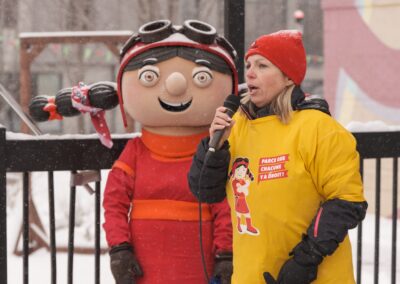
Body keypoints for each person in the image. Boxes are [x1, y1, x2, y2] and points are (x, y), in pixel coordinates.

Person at [188, 30, 368, 284]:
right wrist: (215, 145)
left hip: (310, 275)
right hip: (251, 275)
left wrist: (305, 261)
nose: (250, 73)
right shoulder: (237, 124)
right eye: (249, 65)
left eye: (262, 66)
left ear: (287, 77)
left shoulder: (319, 128)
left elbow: (347, 202)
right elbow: (204, 190)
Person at [102, 20, 238, 284]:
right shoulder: (136, 152)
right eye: (149, 77)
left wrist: (225, 253)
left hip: (198, 259)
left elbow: (226, 205)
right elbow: (114, 202)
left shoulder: (214, 151)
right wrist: (119, 247)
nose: (175, 86)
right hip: (144, 261)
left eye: (202, 78)